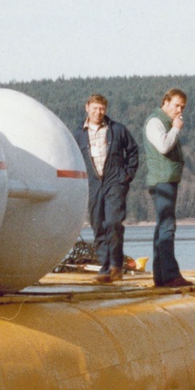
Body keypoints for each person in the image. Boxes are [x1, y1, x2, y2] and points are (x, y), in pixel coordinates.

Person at [74, 95, 139, 284]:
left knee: (113, 222)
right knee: (98, 224)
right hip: (92, 183)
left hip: (114, 181)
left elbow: (133, 150)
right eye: (95, 108)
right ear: (87, 108)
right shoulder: (78, 134)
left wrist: (127, 175)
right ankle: (104, 268)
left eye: (102, 108)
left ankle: (116, 265)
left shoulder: (117, 130)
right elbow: (72, 157)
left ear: (106, 109)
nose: (98, 112)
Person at [144, 89, 190, 288]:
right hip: (162, 181)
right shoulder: (155, 122)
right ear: (166, 102)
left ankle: (161, 276)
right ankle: (170, 275)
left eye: (182, 107)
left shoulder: (163, 122)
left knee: (162, 227)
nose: (179, 110)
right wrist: (176, 129)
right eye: (176, 105)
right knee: (167, 228)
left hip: (167, 180)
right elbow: (163, 146)